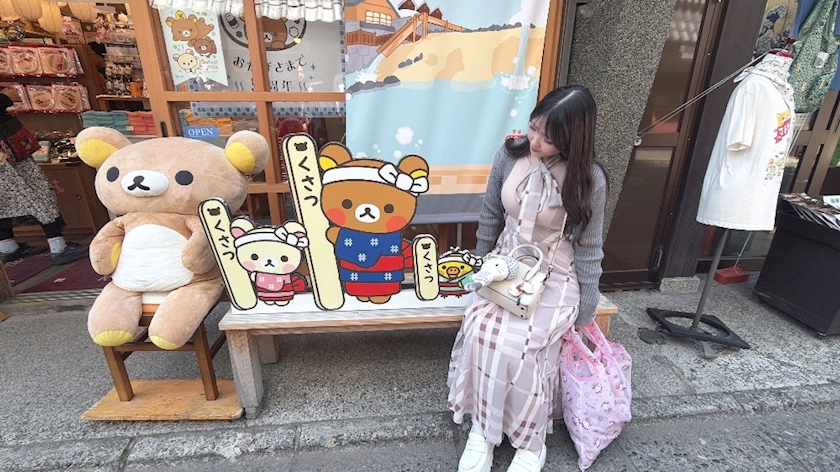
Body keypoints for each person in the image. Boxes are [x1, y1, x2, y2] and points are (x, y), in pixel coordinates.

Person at [447, 85, 609, 472]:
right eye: (534, 127)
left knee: (522, 345)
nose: (535, 142)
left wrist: (587, 309)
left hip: (555, 272)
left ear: (573, 138)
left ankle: (531, 442)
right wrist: (481, 265)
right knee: (482, 331)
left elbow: (589, 247)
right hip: (505, 263)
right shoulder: (510, 154)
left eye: (548, 138)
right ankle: (484, 428)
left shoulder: (590, 179)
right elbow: (490, 213)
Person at [0, 86, 88, 265]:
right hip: (6, 151)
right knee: (37, 192)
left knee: (6, 200)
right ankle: (58, 247)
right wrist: (4, 99)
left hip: (7, 147)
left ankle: (8, 247)